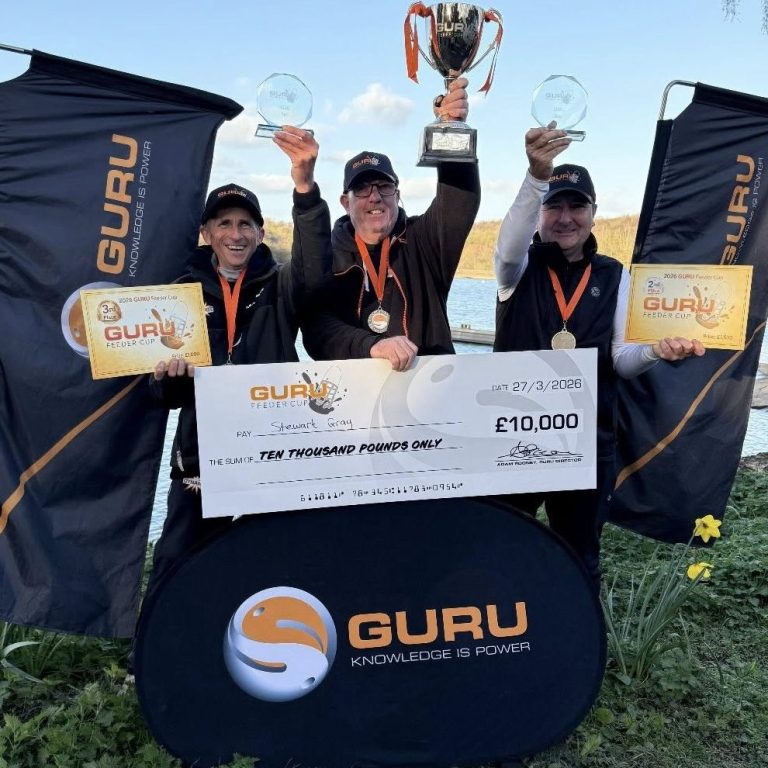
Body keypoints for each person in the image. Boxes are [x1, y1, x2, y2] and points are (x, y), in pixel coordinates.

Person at [493, 124, 705, 587]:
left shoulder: (614, 275)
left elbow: (622, 359)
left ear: (593, 213)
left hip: (585, 444)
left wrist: (654, 350)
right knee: (502, 549)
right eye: (554, 206)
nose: (565, 218)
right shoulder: (518, 268)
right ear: (540, 213)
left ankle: (579, 629)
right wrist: (536, 176)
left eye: (577, 206)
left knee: (580, 558)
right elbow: (507, 247)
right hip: (511, 441)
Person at [146, 127, 330, 591]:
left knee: (269, 570)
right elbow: (164, 396)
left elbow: (315, 266)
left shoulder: (282, 284)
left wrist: (305, 188)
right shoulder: (179, 294)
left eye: (246, 224)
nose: (235, 233)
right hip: (200, 462)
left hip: (271, 455)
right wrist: (169, 378)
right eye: (224, 223)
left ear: (260, 233)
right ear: (206, 233)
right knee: (176, 569)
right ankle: (159, 641)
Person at [301, 78, 480, 371]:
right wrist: (372, 345)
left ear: (397, 195)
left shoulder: (425, 242)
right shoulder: (327, 256)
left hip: (432, 389)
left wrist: (451, 130)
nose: (375, 197)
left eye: (384, 187)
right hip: (354, 395)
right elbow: (317, 328)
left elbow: (460, 200)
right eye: (362, 189)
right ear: (345, 202)